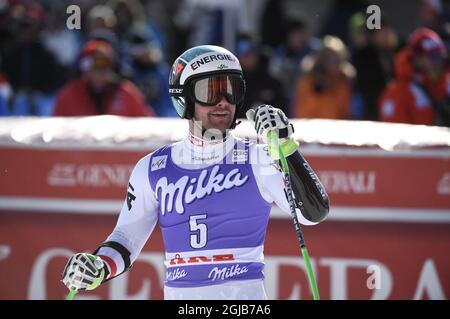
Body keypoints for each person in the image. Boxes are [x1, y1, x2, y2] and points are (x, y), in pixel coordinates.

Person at [61, 45, 329, 300]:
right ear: (184, 98)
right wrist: (98, 265)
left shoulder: (256, 157)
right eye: (210, 90)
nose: (223, 102)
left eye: (231, 90)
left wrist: (285, 146)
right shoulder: (153, 168)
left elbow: (313, 213)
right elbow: (125, 240)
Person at [53, 39, 154, 117]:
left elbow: (147, 124)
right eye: (97, 67)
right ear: (85, 69)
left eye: (106, 66)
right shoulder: (68, 95)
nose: (102, 72)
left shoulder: (126, 92)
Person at [378, 28, 449, 126]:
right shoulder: (397, 93)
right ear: (417, 59)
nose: (438, 62)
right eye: (432, 56)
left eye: (440, 55)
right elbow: (395, 136)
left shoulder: (444, 85)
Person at [291, 35, 355, 120]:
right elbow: (300, 112)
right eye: (328, 58)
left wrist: (331, 91)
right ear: (320, 59)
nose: (332, 62)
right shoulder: (307, 81)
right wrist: (317, 91)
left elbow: (347, 113)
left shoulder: (343, 82)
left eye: (336, 58)